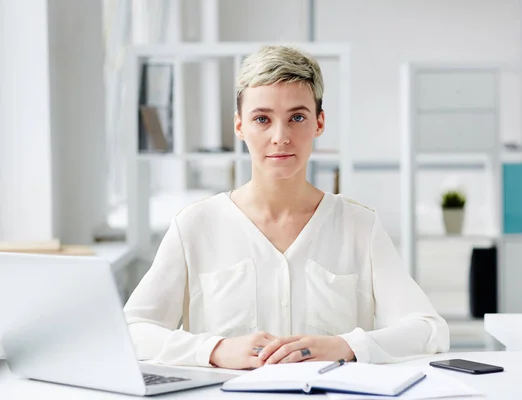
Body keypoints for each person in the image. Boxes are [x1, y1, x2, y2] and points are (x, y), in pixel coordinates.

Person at [123, 45, 449, 370]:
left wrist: (347, 345)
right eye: (262, 119)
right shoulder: (194, 226)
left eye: (297, 117)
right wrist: (215, 349)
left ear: (319, 123)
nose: (280, 137)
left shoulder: (360, 226)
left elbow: (429, 330)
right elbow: (131, 331)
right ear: (239, 126)